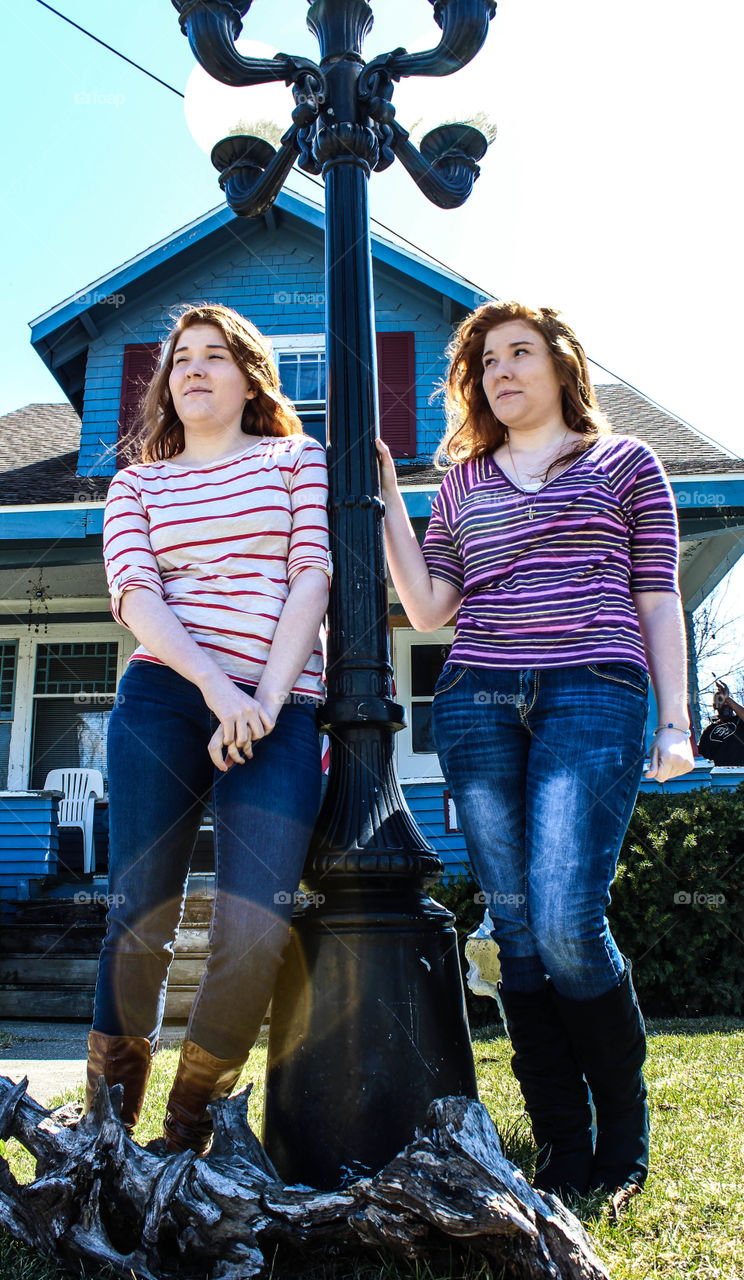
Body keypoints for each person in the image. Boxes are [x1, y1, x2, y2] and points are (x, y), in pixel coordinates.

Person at [376, 300, 694, 1206]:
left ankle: (623, 1139)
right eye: (484, 362)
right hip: (477, 701)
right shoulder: (465, 484)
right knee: (514, 929)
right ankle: (561, 1146)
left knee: (564, 919)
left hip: (592, 689)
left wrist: (675, 721)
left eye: (520, 353)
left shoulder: (626, 463)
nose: (500, 371)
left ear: (562, 366)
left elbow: (659, 597)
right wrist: (393, 499)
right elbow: (432, 609)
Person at [85, 303, 332, 1153]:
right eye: (180, 358)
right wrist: (222, 691)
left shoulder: (297, 459)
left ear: (250, 376)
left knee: (257, 917)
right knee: (140, 916)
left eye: (214, 356)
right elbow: (136, 598)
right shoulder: (138, 482)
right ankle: (107, 1140)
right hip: (166, 696)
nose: (192, 369)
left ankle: (187, 1131)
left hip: (282, 703)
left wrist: (259, 699)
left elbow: (312, 575)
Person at [697, 680, 744, 765]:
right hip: (721, 774)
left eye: (727, 701)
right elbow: (703, 754)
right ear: (715, 706)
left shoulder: (739, 720)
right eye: (721, 700)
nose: (726, 704)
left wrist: (728, 699)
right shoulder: (709, 730)